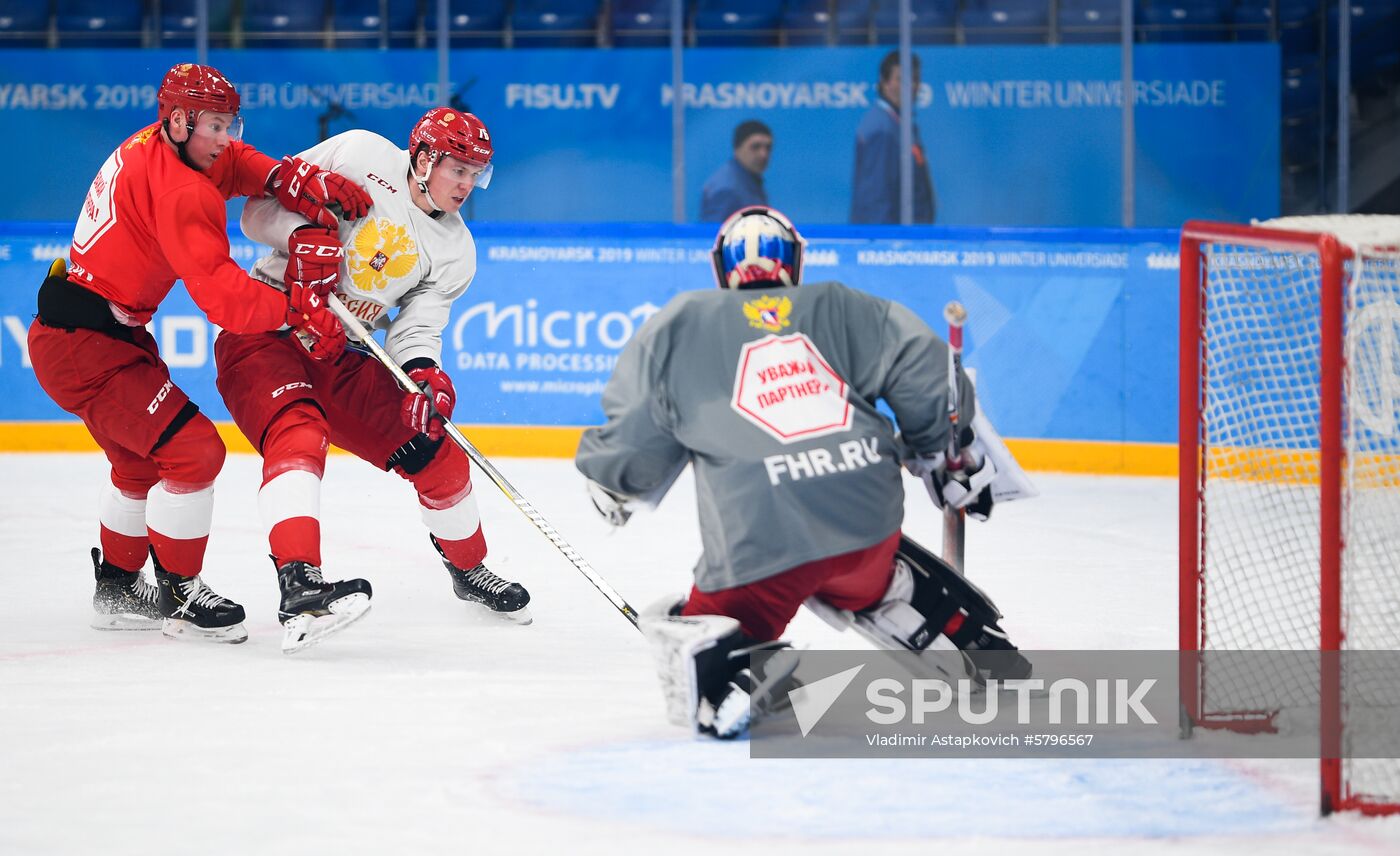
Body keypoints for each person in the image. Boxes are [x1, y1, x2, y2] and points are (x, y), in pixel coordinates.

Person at [575, 206, 1028, 739]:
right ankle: (952, 627)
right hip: (866, 519)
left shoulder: (682, 321)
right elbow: (926, 371)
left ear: (722, 268)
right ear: (795, 261)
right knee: (866, 572)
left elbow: (636, 428)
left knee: (694, 621)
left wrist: (615, 479)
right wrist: (937, 448)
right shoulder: (840, 305)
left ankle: (738, 673)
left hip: (759, 546)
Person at [28, 62, 369, 644]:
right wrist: (299, 308)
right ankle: (179, 594)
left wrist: (286, 178)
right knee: (194, 452)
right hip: (87, 347)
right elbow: (226, 299)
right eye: (215, 125)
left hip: (89, 333)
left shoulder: (162, 144)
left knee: (139, 461)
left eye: (231, 123)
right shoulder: (182, 192)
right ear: (179, 120)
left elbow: (235, 163)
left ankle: (116, 587)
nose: (226, 137)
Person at [217, 107, 531, 654]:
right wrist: (306, 235)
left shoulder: (456, 250)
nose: (466, 184)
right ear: (426, 156)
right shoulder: (358, 152)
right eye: (458, 168)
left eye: (476, 173)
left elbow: (415, 328)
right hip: (266, 329)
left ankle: (470, 570)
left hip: (342, 352)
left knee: (439, 450)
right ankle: (301, 585)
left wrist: (424, 376)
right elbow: (257, 211)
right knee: (299, 434)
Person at [851, 50, 936, 224]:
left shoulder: (899, 124)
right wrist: (885, 246)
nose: (911, 86)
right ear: (884, 83)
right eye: (902, 79)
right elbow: (876, 200)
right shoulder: (882, 129)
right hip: (891, 243)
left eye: (915, 79)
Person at [699, 120, 772, 222]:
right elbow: (714, 235)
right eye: (755, 147)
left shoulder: (749, 180)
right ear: (737, 148)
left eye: (768, 148)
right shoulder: (726, 189)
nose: (763, 154)